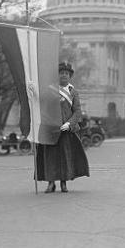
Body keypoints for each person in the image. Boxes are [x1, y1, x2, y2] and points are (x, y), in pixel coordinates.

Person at [36, 62, 90, 193]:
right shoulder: (49, 90)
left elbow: (77, 111)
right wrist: (32, 91)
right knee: (50, 157)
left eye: (66, 73)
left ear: (70, 76)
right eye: (61, 73)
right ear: (57, 76)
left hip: (66, 131)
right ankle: (51, 183)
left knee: (65, 157)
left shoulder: (73, 92)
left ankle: (63, 183)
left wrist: (69, 124)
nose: (64, 75)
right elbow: (40, 101)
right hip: (51, 130)